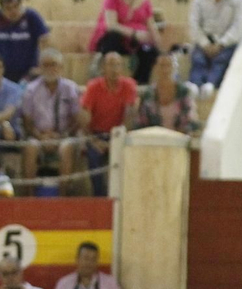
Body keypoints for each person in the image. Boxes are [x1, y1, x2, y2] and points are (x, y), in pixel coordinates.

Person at [21, 49, 83, 191]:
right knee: (30, 147)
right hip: (38, 136)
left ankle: (63, 197)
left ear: (61, 67)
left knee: (66, 147)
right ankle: (28, 198)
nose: (50, 69)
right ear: (40, 68)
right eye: (46, 65)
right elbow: (27, 121)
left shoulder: (70, 88)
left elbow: (76, 120)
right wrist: (41, 136)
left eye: (54, 64)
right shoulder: (30, 90)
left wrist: (59, 136)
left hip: (63, 136)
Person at [80, 52, 139, 194]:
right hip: (96, 134)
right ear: (103, 68)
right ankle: (99, 197)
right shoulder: (93, 87)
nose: (114, 69)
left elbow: (130, 116)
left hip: (119, 134)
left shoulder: (129, 85)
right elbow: (83, 116)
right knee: (93, 156)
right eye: (111, 64)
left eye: (118, 65)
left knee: (124, 154)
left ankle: (121, 195)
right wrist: (93, 140)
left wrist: (115, 140)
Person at [90, 0, 159, 85]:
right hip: (115, 39)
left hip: (136, 42)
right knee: (113, 38)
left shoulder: (145, 0)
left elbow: (151, 25)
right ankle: (106, 79)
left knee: (150, 51)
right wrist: (135, 34)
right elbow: (111, 25)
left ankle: (138, 84)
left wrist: (157, 43)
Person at [187, 0, 242, 99]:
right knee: (198, 59)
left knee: (221, 60)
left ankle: (211, 84)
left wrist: (221, 44)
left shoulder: (237, 0)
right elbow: (194, 24)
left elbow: (237, 27)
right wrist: (205, 44)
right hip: (204, 42)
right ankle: (195, 85)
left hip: (226, 43)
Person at [137, 55, 198, 133]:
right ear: (155, 68)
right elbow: (141, 122)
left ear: (175, 68)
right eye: (162, 65)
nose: (165, 70)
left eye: (169, 65)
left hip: (179, 138)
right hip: (153, 139)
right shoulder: (148, 93)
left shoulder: (183, 91)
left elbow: (192, 121)